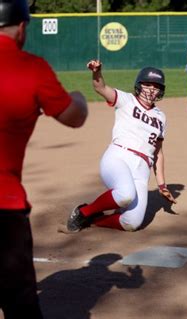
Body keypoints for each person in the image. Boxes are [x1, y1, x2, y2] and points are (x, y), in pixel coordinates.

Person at [0, 0, 88, 317]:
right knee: (20, 306)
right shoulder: (32, 68)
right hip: (4, 208)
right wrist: (78, 97)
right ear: (22, 27)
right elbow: (74, 116)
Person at [62, 60, 176, 233]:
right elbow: (101, 88)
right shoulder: (126, 100)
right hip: (119, 157)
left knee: (133, 222)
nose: (152, 89)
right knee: (125, 194)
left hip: (142, 170)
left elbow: (158, 152)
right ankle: (84, 212)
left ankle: (93, 221)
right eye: (148, 85)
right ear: (139, 85)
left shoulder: (161, 117)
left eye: (156, 86)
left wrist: (162, 186)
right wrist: (97, 72)